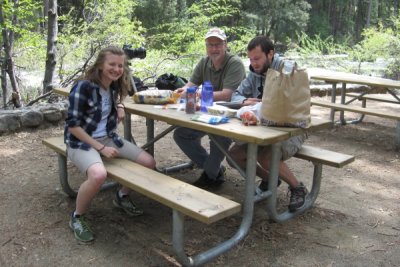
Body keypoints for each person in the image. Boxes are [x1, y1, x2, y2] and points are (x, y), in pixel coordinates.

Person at [64, 46, 156, 242]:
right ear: (100, 65)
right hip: (81, 141)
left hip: (108, 137)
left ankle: (122, 196)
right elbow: (72, 126)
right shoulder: (84, 87)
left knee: (148, 162)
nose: (116, 69)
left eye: (120, 65)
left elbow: (119, 96)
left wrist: (120, 105)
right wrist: (101, 148)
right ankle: (77, 217)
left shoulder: (113, 84)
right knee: (98, 175)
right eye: (111, 64)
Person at [228, 36, 308, 212]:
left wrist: (265, 103)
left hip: (292, 128)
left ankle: (298, 188)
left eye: (257, 58)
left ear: (270, 53)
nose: (253, 63)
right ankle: (270, 179)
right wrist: (246, 101)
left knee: (266, 157)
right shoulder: (254, 73)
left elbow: (291, 100)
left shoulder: (287, 68)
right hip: (264, 128)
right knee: (233, 155)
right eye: (250, 59)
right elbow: (236, 95)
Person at [173, 27, 246, 189]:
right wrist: (182, 91)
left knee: (218, 137)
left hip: (231, 116)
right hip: (206, 113)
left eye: (218, 44)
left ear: (225, 45)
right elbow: (191, 85)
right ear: (206, 47)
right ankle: (214, 169)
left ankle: (210, 176)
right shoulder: (203, 62)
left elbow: (228, 95)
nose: (214, 48)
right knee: (181, 134)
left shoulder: (235, 63)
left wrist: (200, 94)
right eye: (210, 45)